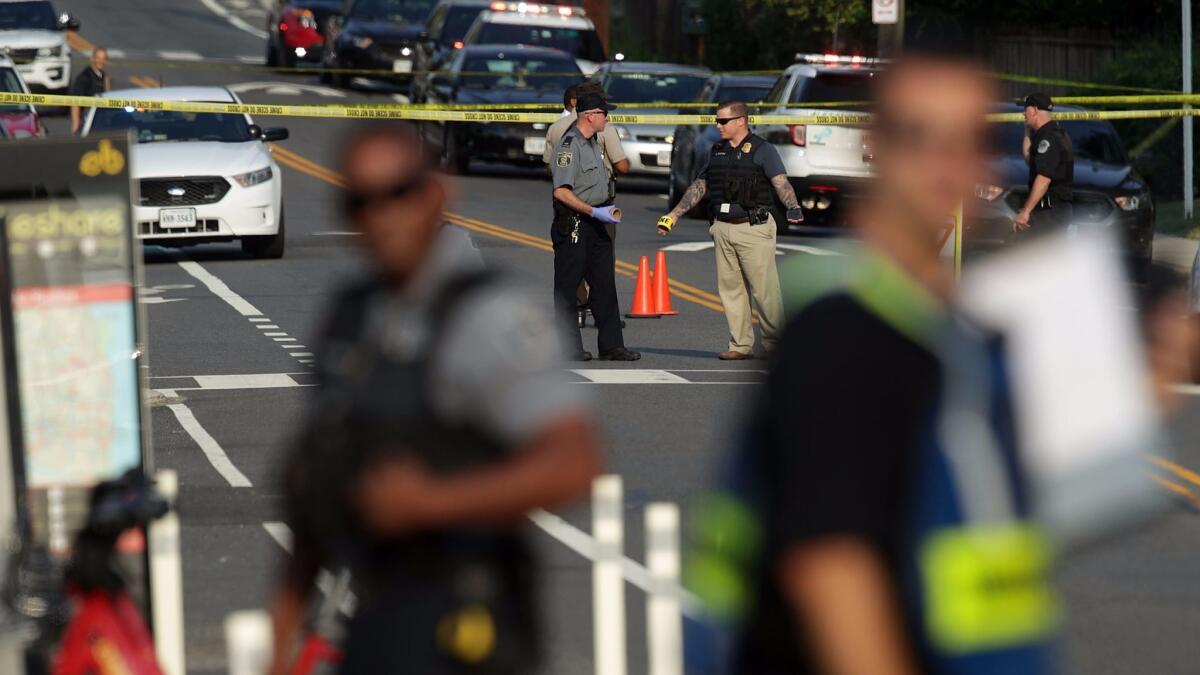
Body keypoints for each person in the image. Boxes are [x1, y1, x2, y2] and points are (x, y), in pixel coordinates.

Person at [712, 53, 1060, 674]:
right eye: (917, 137)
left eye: (967, 140)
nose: (944, 163)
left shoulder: (944, 321)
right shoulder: (847, 328)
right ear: (875, 149)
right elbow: (829, 566)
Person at [269, 125, 601, 675]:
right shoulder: (348, 319)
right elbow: (314, 505)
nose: (382, 215)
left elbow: (575, 463)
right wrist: (280, 646)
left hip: (471, 623)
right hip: (373, 618)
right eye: (360, 201)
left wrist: (434, 502)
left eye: (399, 192)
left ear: (438, 193)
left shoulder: (488, 315)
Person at [657, 101, 803, 360]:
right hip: (722, 228)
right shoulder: (717, 151)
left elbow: (781, 182)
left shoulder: (763, 150)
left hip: (753, 227)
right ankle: (740, 345)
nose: (717, 125)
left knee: (765, 291)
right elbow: (699, 186)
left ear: (740, 121)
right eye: (717, 120)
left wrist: (792, 207)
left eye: (723, 121)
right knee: (731, 291)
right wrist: (674, 215)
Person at [550, 92, 639, 362]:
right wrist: (592, 210)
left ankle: (612, 346)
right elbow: (561, 192)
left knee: (604, 284)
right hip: (576, 221)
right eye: (603, 113)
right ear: (590, 115)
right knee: (569, 286)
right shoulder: (569, 146)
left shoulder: (594, 142)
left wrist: (604, 209)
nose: (607, 118)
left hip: (598, 219)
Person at [1013, 92, 1074, 235]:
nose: (1023, 114)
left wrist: (1026, 212)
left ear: (1034, 110)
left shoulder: (1048, 139)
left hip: (1051, 213)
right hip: (1050, 212)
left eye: (1026, 110)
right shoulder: (1052, 134)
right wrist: (1027, 131)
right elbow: (1029, 159)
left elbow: (1044, 178)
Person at [69, 48, 109, 134]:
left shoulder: (102, 76)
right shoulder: (84, 78)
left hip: (99, 120)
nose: (101, 61)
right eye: (98, 58)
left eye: (104, 59)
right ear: (92, 58)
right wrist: (76, 123)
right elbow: (75, 102)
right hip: (87, 122)